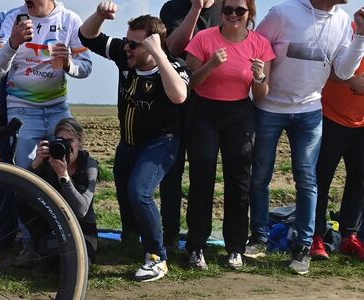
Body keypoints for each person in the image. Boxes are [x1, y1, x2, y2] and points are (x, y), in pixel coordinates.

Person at [246, 0, 364, 275]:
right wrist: (259, 83)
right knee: (261, 175)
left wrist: (360, 35)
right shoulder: (282, 13)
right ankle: (259, 237)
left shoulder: (343, 20)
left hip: (310, 110)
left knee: (308, 179)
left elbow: (344, 71)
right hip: (270, 107)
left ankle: (304, 246)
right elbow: (255, 48)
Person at [80, 1, 189, 282]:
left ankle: (157, 257)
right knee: (125, 192)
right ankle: (131, 241)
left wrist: (159, 55)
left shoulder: (172, 66)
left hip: (160, 143)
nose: (127, 48)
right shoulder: (124, 55)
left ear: (153, 45)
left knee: (140, 192)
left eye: (136, 44)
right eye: (127, 41)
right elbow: (86, 36)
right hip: (128, 142)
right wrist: (100, 16)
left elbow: (179, 95)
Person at [182, 0, 274, 270]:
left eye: (239, 10)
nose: (233, 15)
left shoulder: (260, 44)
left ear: (249, 13)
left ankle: (235, 248)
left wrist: (259, 78)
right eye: (228, 10)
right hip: (204, 113)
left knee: (239, 181)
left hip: (239, 113)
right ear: (221, 13)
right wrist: (210, 64)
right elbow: (190, 84)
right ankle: (196, 246)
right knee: (202, 179)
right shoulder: (204, 38)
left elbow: (261, 95)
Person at [0, 0, 92, 169]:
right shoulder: (13, 18)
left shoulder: (70, 19)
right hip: (21, 110)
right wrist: (12, 44)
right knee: (25, 175)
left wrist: (68, 64)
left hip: (58, 109)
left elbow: (86, 67)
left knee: (68, 169)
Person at [158, 0, 222, 248]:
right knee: (171, 172)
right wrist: (195, 9)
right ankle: (170, 235)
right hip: (175, 101)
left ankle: (198, 240)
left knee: (203, 173)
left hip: (209, 104)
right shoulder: (172, 8)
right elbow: (173, 47)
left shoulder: (227, 8)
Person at [311, 36, 364, 260]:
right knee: (320, 180)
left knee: (359, 181)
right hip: (330, 116)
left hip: (362, 123)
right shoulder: (348, 31)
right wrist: (350, 80)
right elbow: (322, 67)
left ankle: (349, 236)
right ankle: (315, 236)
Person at [21, 118, 98, 266]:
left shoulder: (88, 165)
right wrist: (35, 165)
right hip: (53, 225)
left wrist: (63, 177)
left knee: (78, 263)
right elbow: (21, 193)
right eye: (61, 141)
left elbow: (81, 210)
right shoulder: (49, 160)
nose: (65, 146)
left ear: (80, 142)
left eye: (70, 141)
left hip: (82, 228)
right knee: (54, 260)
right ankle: (38, 244)